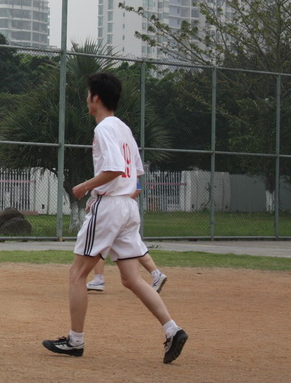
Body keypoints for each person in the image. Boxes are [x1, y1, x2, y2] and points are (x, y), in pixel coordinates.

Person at [43, 72, 188, 364]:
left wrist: (86, 187)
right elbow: (135, 174)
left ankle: (75, 341)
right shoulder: (123, 128)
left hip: (111, 207)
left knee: (77, 274)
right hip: (127, 207)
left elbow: (114, 169)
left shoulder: (104, 128)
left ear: (95, 98)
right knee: (132, 278)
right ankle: (173, 329)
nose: (87, 99)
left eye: (88, 94)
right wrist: (112, 197)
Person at [87, 184, 166, 293]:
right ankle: (156, 274)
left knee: (99, 244)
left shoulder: (115, 173)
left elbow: (137, 189)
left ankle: (98, 279)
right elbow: (137, 188)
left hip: (115, 211)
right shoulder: (126, 175)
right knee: (134, 245)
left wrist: (121, 202)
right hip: (127, 210)